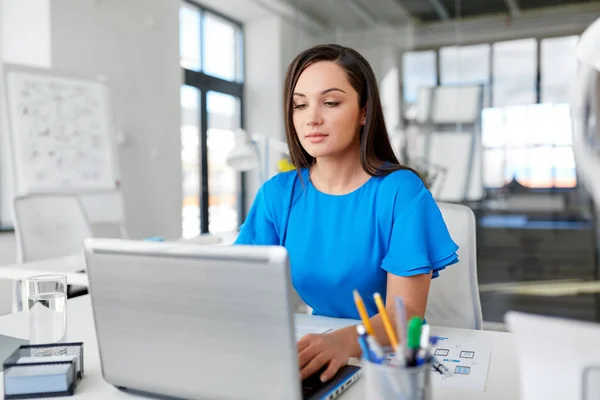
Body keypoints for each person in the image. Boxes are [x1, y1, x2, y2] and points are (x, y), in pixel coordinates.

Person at [234, 44, 458, 383]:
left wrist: (342, 343)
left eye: (331, 102)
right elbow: (238, 285)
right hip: (317, 345)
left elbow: (407, 313)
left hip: (389, 357)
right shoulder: (278, 194)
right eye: (300, 104)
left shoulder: (400, 191)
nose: (311, 117)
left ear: (363, 111)